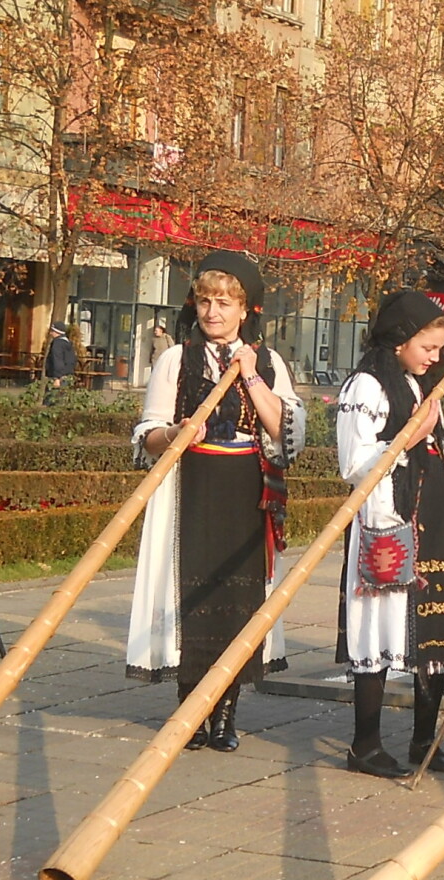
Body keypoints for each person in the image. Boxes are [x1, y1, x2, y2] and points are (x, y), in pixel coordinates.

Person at [126, 251, 305, 752]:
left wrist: (250, 375)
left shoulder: (269, 362)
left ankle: (226, 713)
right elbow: (145, 434)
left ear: (245, 310)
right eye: (205, 301)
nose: (213, 312)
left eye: (225, 303)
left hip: (246, 490)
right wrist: (176, 432)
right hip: (193, 486)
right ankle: (191, 711)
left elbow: (288, 435)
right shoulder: (175, 360)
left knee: (238, 601)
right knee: (190, 596)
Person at [336, 291, 444, 778]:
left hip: (429, 516)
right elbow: (353, 463)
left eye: (438, 350)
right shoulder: (365, 387)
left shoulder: (418, 385)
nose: (435, 358)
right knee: (378, 626)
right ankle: (364, 745)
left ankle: (423, 740)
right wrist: (405, 438)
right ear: (398, 340)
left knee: (432, 623)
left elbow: (437, 447)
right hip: (386, 522)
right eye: (427, 348)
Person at [44, 321, 77, 394]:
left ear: (56, 332)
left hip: (58, 377)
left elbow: (57, 360)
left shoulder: (57, 344)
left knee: (53, 400)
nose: (50, 333)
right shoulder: (67, 343)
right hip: (67, 375)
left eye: (52, 331)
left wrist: (57, 378)